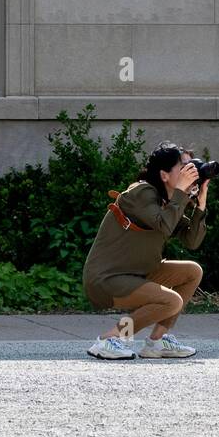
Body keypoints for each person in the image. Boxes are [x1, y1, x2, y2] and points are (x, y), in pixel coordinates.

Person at [81, 142, 207, 360]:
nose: (190, 172)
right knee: (171, 300)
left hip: (137, 274)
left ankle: (157, 342)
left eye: (192, 167)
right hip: (107, 280)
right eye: (184, 167)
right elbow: (165, 225)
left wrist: (201, 205)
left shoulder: (167, 200)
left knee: (192, 271)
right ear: (164, 175)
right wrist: (181, 195)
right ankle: (111, 338)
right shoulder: (141, 194)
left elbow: (192, 241)